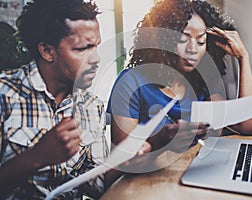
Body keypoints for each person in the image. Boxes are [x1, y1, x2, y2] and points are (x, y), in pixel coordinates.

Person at [0, 0, 150, 199]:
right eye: (82, 49)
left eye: (96, 46)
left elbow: (97, 184)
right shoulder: (5, 94)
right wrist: (38, 156)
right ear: (47, 51)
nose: (96, 58)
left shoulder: (91, 107)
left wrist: (128, 161)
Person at [107, 0, 252, 157]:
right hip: (143, 179)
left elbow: (246, 126)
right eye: (182, 39)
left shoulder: (200, 84)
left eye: (201, 41)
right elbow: (121, 156)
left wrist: (243, 57)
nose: (192, 49)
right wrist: (160, 140)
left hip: (185, 173)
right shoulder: (131, 82)